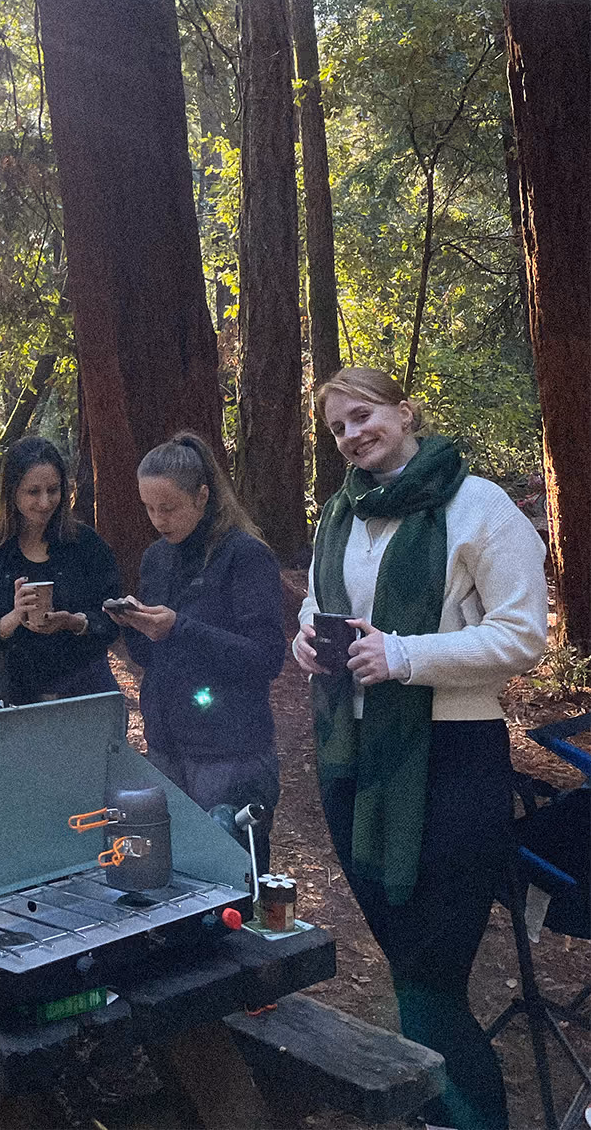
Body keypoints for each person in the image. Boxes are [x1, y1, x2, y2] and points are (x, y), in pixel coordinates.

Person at [293, 367, 547, 1130]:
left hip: (453, 761)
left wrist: (405, 657)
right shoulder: (342, 514)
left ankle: (461, 1116)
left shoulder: (478, 506)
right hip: (354, 764)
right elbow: (319, 601)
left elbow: (524, 634)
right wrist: (307, 638)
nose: (353, 435)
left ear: (405, 413)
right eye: (338, 428)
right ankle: (438, 1113)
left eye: (363, 415)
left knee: (432, 969)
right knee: (411, 963)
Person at [107, 431, 284, 873]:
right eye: (148, 507)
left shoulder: (245, 556)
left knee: (231, 880)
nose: (158, 520)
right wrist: (132, 627)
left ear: (202, 495)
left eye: (168, 507)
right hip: (166, 746)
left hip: (231, 753)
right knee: (175, 876)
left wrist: (179, 628)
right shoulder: (156, 559)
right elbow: (153, 659)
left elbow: (265, 657)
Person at [0, 436, 121, 704]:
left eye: (53, 490)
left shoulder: (85, 544)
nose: (45, 502)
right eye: (33, 492)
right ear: (12, 492)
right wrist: (14, 617)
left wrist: (74, 622)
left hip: (87, 693)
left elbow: (113, 620)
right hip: (20, 696)